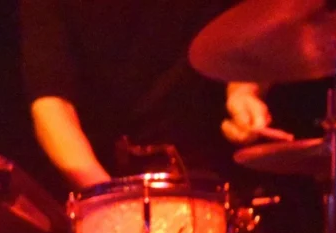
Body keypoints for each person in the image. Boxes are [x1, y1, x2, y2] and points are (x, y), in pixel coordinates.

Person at [19, 0, 272, 191]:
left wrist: (243, 92)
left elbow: (253, 28)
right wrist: (109, 198)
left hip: (214, 169)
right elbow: (51, 106)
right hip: (107, 171)